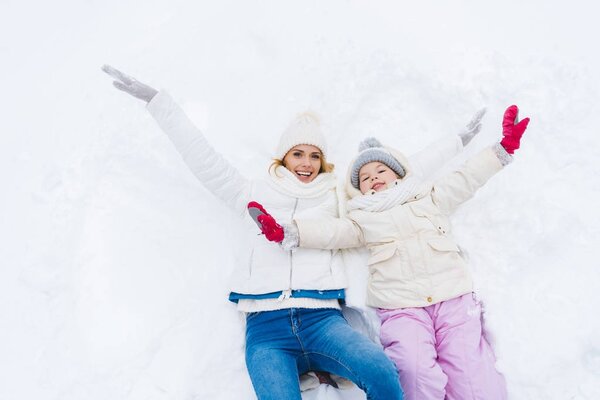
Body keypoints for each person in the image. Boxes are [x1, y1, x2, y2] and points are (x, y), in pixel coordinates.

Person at [101, 64, 405, 400]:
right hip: (267, 330)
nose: (306, 163)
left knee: (381, 372)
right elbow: (203, 158)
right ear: (284, 157)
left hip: (324, 322)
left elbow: (392, 185)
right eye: (298, 154)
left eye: (315, 156)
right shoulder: (252, 192)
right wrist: (159, 103)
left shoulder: (335, 195)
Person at [255, 105, 529, 399]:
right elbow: (332, 232)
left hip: (452, 297)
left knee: (471, 373)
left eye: (380, 170)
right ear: (358, 190)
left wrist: (501, 150)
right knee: (412, 370)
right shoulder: (361, 218)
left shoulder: (429, 198)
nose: (373, 177)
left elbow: (466, 178)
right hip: (402, 308)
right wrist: (291, 232)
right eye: (364, 178)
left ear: (398, 173)